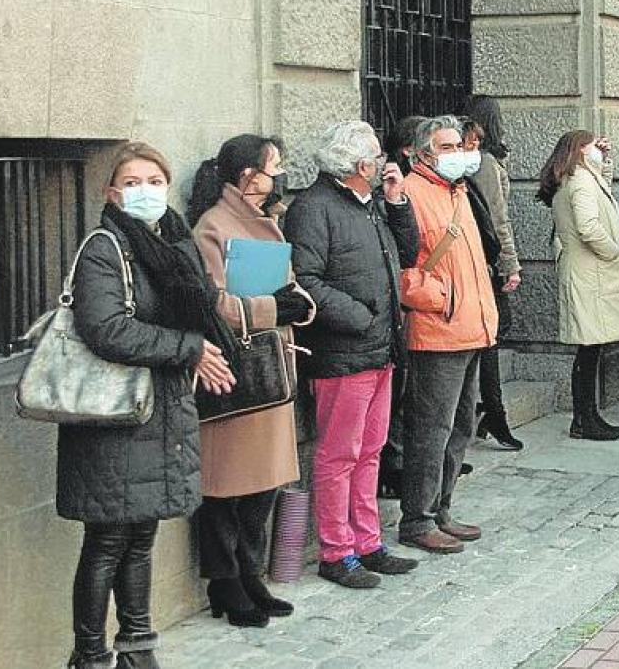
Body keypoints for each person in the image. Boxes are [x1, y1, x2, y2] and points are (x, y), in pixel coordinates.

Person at [61, 142, 238, 669]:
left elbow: (198, 309)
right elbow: (106, 328)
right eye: (132, 182)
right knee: (108, 540)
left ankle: (138, 647)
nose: (145, 191)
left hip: (160, 410)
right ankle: (90, 655)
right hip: (114, 416)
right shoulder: (104, 247)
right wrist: (188, 349)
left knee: (141, 536)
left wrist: (207, 342)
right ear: (111, 192)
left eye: (154, 181)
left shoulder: (174, 242)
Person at [286, 121, 420, 587]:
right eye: (378, 156)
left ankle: (368, 541)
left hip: (380, 349)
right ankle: (336, 550)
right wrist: (360, 317)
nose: (385, 162)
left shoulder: (370, 205)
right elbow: (306, 279)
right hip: (344, 352)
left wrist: (399, 203)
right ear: (361, 165)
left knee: (370, 451)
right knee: (339, 455)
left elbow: (407, 254)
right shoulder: (314, 208)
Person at [188, 135, 314, 627]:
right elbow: (212, 302)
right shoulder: (213, 228)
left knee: (263, 485)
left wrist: (300, 303)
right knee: (225, 486)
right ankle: (225, 579)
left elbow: (287, 281)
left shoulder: (269, 221)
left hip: (273, 369)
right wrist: (269, 309)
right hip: (236, 374)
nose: (278, 173)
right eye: (272, 166)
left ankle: (250, 571)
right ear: (247, 174)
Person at [397, 116, 499, 554]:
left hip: (470, 327)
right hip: (438, 331)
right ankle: (417, 518)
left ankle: (441, 508)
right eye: (446, 146)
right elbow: (403, 270)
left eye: (459, 144)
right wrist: (445, 299)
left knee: (459, 427)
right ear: (423, 153)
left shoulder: (455, 191)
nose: (458, 152)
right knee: (431, 429)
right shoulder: (410, 194)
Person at [539, 130, 619, 440]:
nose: (599, 149)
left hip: (587, 272)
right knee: (588, 349)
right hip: (590, 273)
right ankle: (585, 418)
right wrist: (614, 252)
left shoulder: (578, 178)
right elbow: (589, 226)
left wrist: (605, 159)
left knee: (591, 349)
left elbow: (602, 191)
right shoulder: (579, 181)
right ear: (580, 150)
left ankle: (587, 416)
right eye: (594, 145)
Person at [461, 96, 526, 451]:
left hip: (483, 260)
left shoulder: (485, 160)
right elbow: (496, 219)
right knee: (493, 335)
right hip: (486, 263)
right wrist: (510, 264)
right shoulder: (484, 163)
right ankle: (492, 411)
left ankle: (490, 410)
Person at [378, 114, 427, 499]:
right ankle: (393, 465)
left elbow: (407, 248)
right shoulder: (397, 187)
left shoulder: (395, 194)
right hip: (381, 319)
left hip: (396, 314)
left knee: (401, 396)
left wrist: (397, 203)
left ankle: (397, 463)